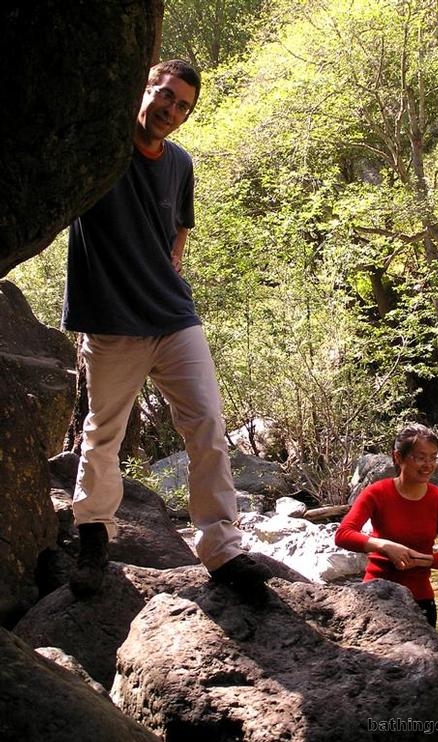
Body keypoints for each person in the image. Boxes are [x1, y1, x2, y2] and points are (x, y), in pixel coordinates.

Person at [62, 59, 271, 599]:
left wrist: (172, 262)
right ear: (144, 88)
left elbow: (181, 224)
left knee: (207, 425)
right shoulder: (102, 151)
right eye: (165, 95)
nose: (171, 110)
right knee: (102, 434)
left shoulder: (179, 162)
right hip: (112, 322)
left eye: (182, 106)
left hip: (174, 317)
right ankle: (93, 539)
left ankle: (222, 550)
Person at [334, 424, 438, 627]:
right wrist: (385, 546)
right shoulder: (376, 493)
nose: (428, 465)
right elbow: (343, 534)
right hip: (376, 595)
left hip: (420, 599)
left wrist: (421, 560)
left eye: (433, 458)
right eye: (420, 458)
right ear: (398, 457)